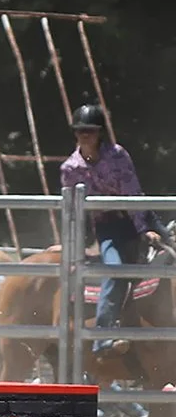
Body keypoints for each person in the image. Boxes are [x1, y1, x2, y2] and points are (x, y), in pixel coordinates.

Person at [60, 104, 163, 355]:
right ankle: (102, 337)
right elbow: (73, 212)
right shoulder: (70, 169)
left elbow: (133, 192)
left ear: (99, 133)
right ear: (76, 133)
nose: (86, 135)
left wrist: (143, 229)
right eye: (81, 130)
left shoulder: (118, 156)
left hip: (137, 218)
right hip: (109, 226)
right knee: (115, 270)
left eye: (91, 131)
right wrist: (72, 243)